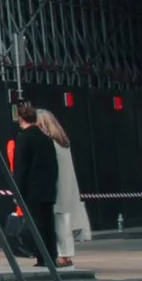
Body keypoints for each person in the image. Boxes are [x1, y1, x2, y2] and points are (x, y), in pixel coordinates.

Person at [39, 106, 93, 266]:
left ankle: (63, 255)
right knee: (64, 221)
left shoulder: (50, 144)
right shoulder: (63, 143)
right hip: (67, 186)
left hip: (57, 187)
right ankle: (66, 254)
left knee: (59, 221)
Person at [9, 99, 60, 261]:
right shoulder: (46, 138)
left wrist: (18, 192)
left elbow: (21, 168)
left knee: (35, 224)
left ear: (21, 119)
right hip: (48, 189)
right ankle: (51, 256)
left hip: (32, 190)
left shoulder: (24, 139)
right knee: (48, 224)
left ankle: (40, 257)